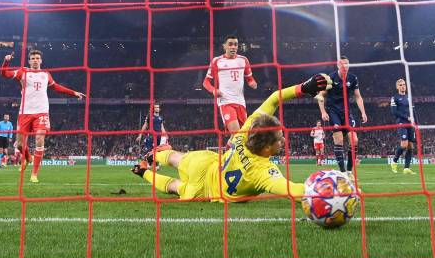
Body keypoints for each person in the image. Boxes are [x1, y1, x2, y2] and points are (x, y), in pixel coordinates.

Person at [131, 74, 332, 201]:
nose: (284, 140)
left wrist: (303, 88)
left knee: (179, 158)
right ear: (266, 148)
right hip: (207, 191)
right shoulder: (262, 172)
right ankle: (143, 172)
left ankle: (155, 155)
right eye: (280, 139)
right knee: (174, 187)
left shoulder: (245, 132)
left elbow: (274, 98)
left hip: (207, 163)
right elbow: (293, 190)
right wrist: (330, 190)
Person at [1, 50, 84, 183]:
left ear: (41, 60)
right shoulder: (22, 72)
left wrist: (73, 93)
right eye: (33, 58)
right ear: (29, 61)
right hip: (24, 112)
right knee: (20, 145)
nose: (35, 60)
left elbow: (56, 87)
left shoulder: (46, 74)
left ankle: (34, 174)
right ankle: (28, 158)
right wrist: (6, 61)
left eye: (37, 58)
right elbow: (4, 74)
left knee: (39, 138)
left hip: (41, 112)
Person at [317, 56, 367, 173]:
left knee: (354, 140)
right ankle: (343, 172)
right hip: (333, 111)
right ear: (338, 65)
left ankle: (349, 171)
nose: (345, 66)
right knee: (339, 140)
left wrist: (363, 112)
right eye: (342, 64)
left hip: (346, 112)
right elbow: (321, 95)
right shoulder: (330, 78)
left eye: (347, 63)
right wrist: (323, 112)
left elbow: (358, 97)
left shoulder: (353, 78)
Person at [203, 34, 257, 136]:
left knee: (242, 136)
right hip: (226, 101)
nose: (233, 47)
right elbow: (206, 82)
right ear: (224, 46)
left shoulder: (243, 60)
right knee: (236, 134)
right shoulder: (217, 61)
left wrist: (252, 83)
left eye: (235, 44)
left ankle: (228, 147)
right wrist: (213, 90)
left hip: (240, 102)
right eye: (230, 44)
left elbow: (250, 78)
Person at [389, 78, 416, 174]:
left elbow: (413, 111)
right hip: (401, 123)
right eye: (400, 85)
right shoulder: (395, 98)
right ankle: (394, 161)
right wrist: (407, 117)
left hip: (410, 124)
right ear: (397, 87)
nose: (403, 86)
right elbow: (394, 111)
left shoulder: (409, 97)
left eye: (404, 84)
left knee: (410, 146)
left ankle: (406, 168)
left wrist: (416, 124)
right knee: (404, 144)